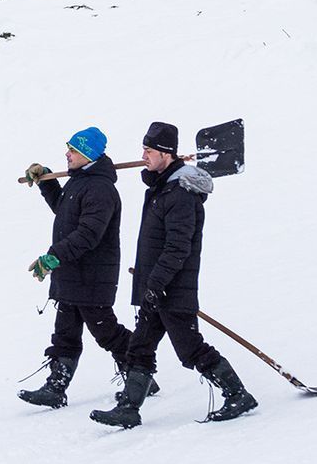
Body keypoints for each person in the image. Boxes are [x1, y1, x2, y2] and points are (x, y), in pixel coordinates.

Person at [89, 122, 258, 428]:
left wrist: (156, 283)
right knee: (140, 347)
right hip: (156, 286)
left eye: (149, 151)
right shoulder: (161, 188)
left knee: (190, 349)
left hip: (171, 288)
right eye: (143, 149)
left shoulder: (180, 194)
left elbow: (178, 247)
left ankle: (237, 394)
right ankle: (129, 407)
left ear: (166, 154)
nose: (143, 156)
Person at [17, 127, 143, 409]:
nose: (67, 154)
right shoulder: (80, 182)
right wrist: (45, 180)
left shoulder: (100, 189)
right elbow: (64, 212)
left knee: (106, 332)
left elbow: (88, 235)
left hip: (92, 275)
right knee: (65, 333)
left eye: (73, 150)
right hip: (72, 273)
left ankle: (140, 373)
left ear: (88, 154)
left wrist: (53, 256)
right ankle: (55, 387)